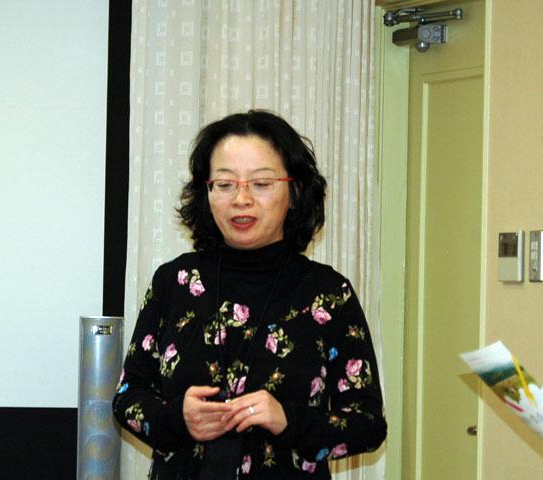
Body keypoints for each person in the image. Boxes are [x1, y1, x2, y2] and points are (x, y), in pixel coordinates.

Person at [113, 110, 387, 479]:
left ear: (295, 192)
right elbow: (127, 397)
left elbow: (368, 425)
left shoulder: (327, 293)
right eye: (225, 184)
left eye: (261, 183)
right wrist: (176, 418)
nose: (241, 199)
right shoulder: (175, 281)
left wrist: (288, 420)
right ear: (206, 192)